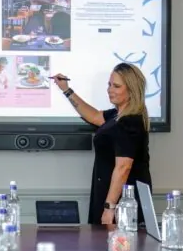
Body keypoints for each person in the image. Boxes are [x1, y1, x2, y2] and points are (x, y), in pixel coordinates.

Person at [52, 63, 152, 229]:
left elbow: (123, 167)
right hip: (109, 196)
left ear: (132, 90)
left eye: (117, 86)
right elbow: (94, 116)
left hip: (122, 203)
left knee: (118, 250)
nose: (110, 90)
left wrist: (110, 207)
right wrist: (66, 90)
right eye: (109, 84)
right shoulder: (117, 115)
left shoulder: (130, 122)